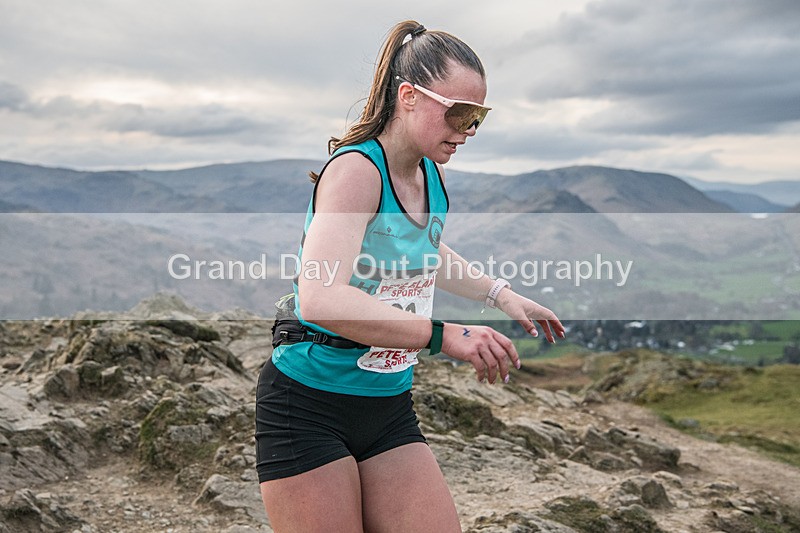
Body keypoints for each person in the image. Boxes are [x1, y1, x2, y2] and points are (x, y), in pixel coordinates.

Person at [255, 20, 565, 532]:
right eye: (459, 113)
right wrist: (446, 336)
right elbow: (320, 299)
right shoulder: (356, 170)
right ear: (409, 97)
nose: (468, 130)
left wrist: (501, 294)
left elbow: (424, 251)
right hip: (307, 405)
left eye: (478, 118)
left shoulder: (427, 173)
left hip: (388, 405)